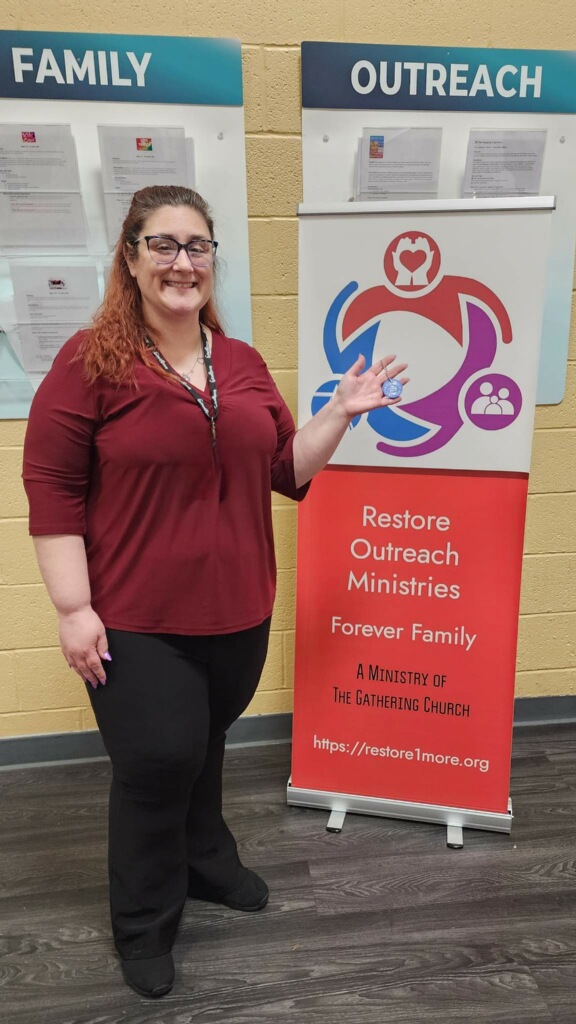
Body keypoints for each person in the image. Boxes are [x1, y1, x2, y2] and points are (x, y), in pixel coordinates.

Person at [22, 185, 407, 998]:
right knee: (157, 761)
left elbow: (285, 469)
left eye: (196, 246)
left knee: (204, 742)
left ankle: (205, 861)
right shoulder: (90, 363)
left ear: (212, 261)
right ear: (130, 258)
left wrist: (341, 413)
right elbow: (52, 490)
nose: (181, 262)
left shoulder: (240, 362)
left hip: (238, 609)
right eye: (162, 245)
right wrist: (73, 609)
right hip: (133, 616)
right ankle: (143, 921)